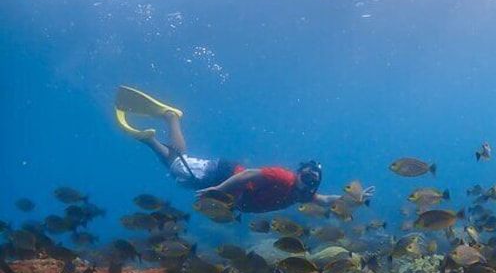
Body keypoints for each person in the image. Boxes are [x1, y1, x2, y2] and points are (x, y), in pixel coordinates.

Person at [114, 85, 374, 213]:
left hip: (226, 188)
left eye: (313, 180)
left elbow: (327, 201)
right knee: (180, 167)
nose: (308, 182)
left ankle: (148, 140)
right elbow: (250, 174)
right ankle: (171, 117)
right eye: (306, 176)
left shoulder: (302, 195)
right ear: (299, 174)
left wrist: (354, 199)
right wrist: (219, 189)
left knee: (178, 173)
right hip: (223, 175)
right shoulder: (285, 178)